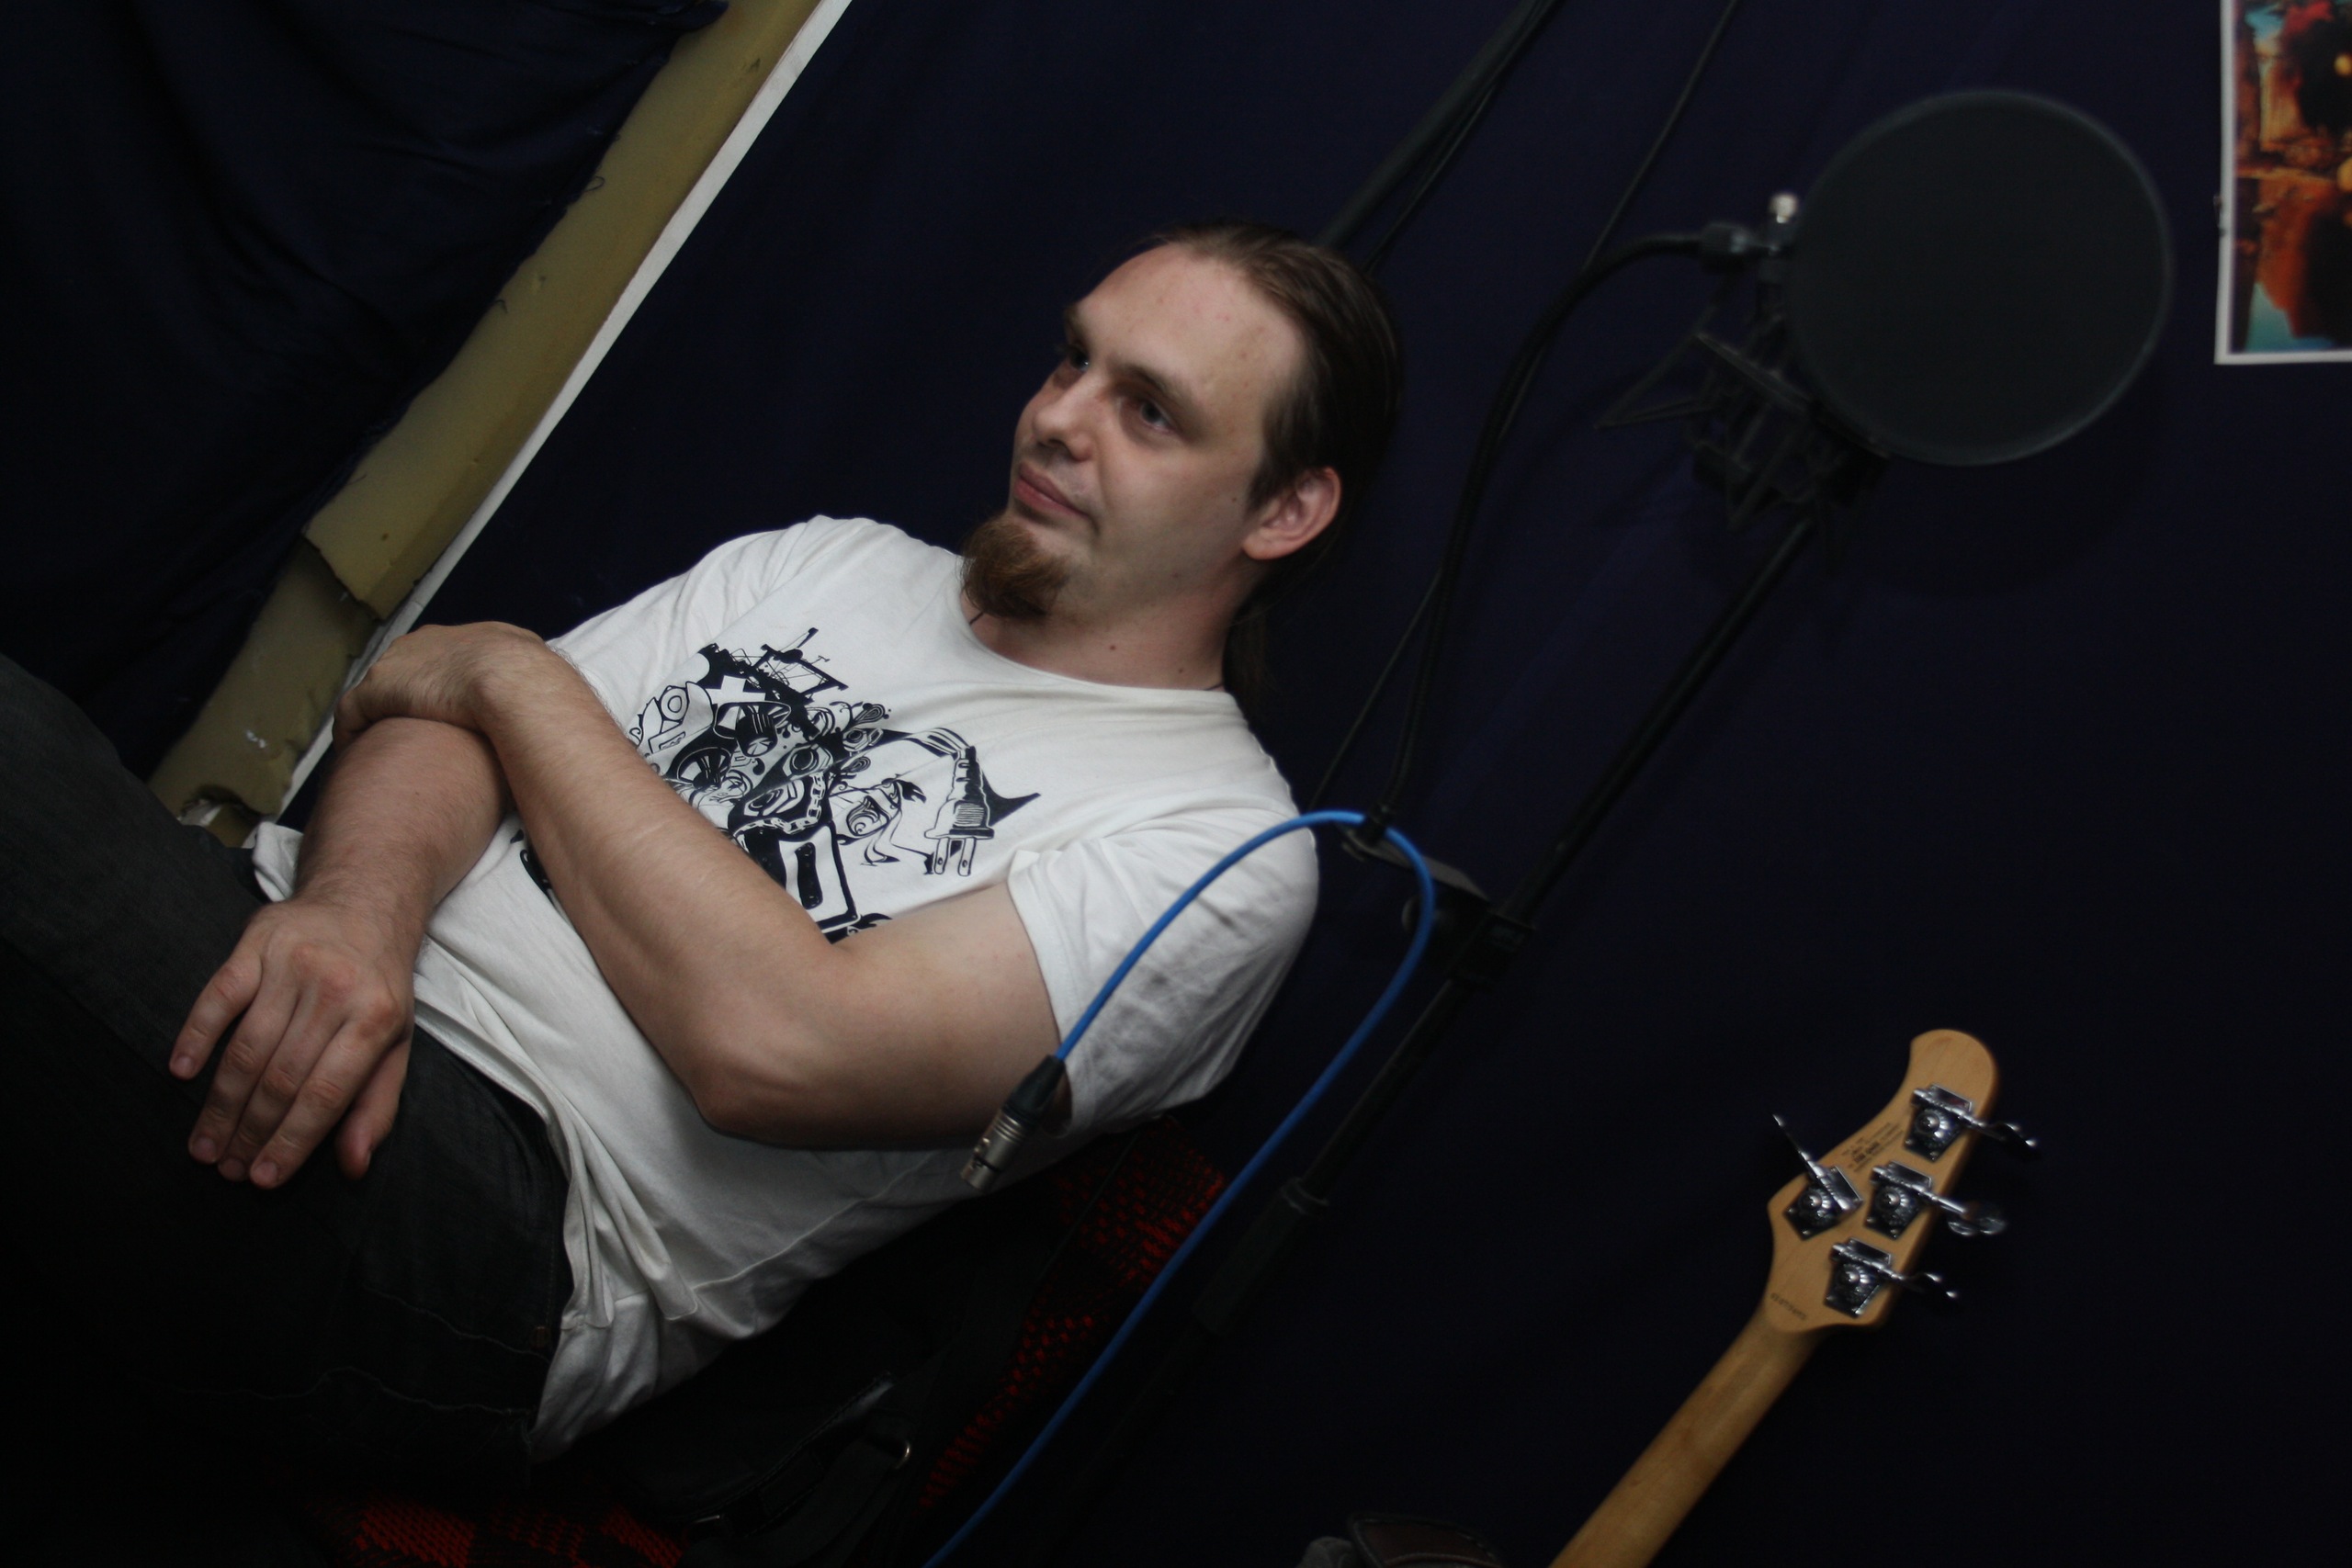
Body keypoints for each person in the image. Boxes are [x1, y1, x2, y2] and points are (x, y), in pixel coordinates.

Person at [0, 220, 1403, 1483]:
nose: (1056, 419)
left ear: (1282, 511)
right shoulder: (832, 564)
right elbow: (438, 727)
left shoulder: (1219, 848)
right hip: (296, 949)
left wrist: (512, 674)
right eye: (1071, 361)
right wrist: (357, 917)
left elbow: (774, 1047)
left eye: (1149, 412)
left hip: (506, 1228)